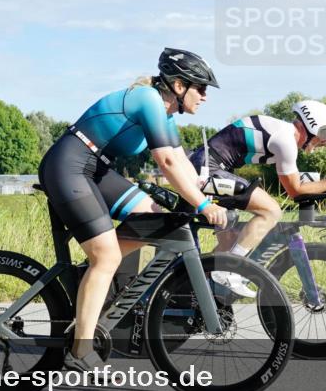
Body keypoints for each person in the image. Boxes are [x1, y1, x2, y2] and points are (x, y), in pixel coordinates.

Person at [38, 48, 228, 371]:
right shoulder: (148, 99)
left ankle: (92, 278)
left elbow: (180, 160)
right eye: (202, 88)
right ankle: (80, 350)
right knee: (108, 256)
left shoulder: (165, 114)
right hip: (68, 165)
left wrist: (208, 193)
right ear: (179, 86)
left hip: (94, 169)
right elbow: (165, 161)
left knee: (154, 217)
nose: (206, 96)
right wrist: (203, 205)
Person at [188, 100, 326, 297]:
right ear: (312, 125)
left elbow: (296, 181)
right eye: (325, 134)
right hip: (208, 169)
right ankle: (231, 269)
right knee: (271, 210)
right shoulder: (285, 140)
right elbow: (294, 190)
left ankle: (192, 290)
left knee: (230, 240)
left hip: (207, 166)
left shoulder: (283, 135)